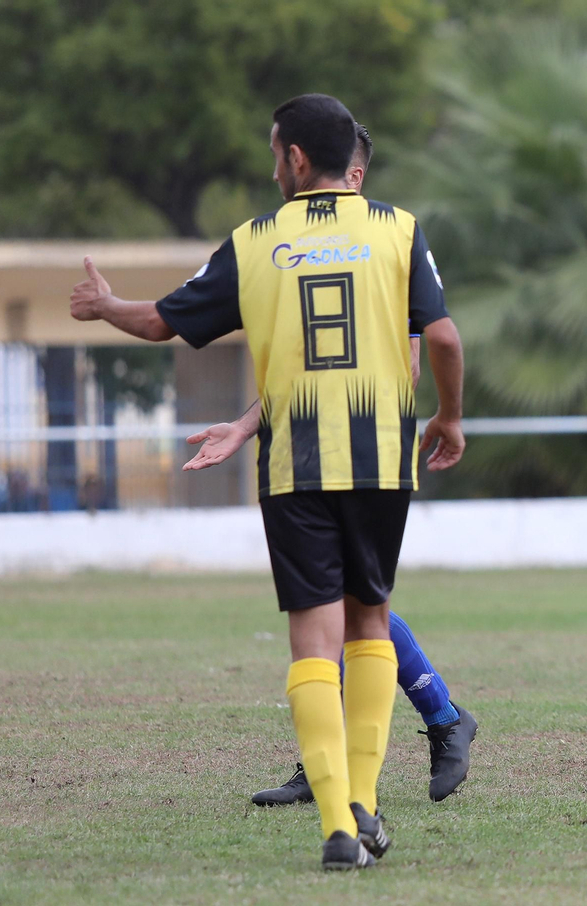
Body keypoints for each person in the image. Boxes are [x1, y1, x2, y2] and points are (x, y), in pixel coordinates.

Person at [69, 94, 466, 867]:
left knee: (313, 642)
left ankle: (337, 829)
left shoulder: (254, 244)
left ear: (292, 160)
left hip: (296, 465)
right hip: (382, 458)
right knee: (370, 625)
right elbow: (443, 335)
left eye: (271, 150)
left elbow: (158, 323)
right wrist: (449, 418)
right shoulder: (398, 231)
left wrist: (105, 304)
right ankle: (368, 801)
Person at [183, 123, 478, 807]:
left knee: (349, 608)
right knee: (343, 609)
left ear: (357, 178)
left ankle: (432, 723)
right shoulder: (320, 249)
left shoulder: (385, 249)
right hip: (323, 444)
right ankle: (355, 755)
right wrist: (250, 421)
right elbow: (311, 369)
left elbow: (400, 359)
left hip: (369, 447)